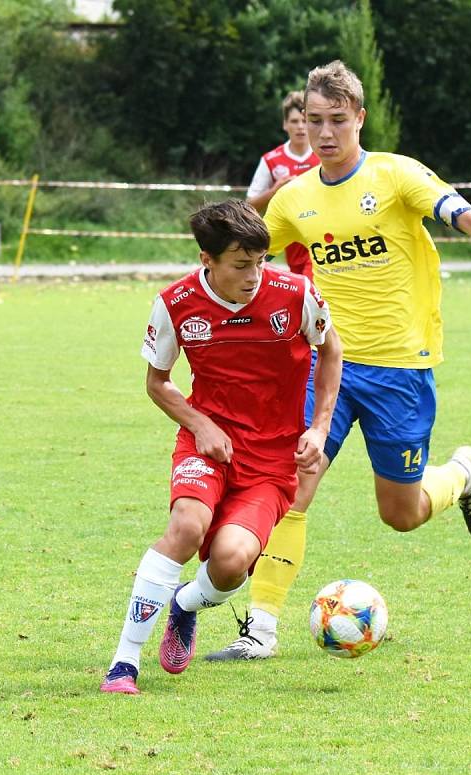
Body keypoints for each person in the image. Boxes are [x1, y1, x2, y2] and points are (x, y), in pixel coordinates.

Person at [205, 60, 471, 663]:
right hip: (326, 365)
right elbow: (241, 254)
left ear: (361, 117)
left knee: (401, 514)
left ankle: (463, 473)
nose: (325, 132)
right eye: (315, 121)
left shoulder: (395, 175)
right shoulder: (295, 198)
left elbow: (465, 213)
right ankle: (261, 628)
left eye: (338, 119)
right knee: (290, 486)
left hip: (401, 370)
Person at [99, 199, 342, 694]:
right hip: (206, 445)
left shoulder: (296, 294)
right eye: (240, 264)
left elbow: (331, 350)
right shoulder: (175, 303)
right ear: (207, 260)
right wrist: (200, 424)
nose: (254, 275)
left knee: (231, 562)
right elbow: (158, 381)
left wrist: (318, 429)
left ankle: (185, 605)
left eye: (260, 261)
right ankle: (124, 663)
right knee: (187, 527)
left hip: (272, 459)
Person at [247, 90, 321, 279]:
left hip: (321, 237)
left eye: (305, 121)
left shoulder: (325, 154)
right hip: (292, 243)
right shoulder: (271, 160)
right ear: (285, 124)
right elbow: (249, 206)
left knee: (313, 291)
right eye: (295, 121)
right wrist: (274, 191)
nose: (301, 127)